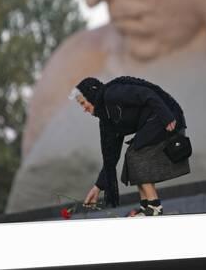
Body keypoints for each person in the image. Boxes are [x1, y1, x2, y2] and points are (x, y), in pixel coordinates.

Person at [69, 75, 190, 216]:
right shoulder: (107, 120)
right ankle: (146, 207)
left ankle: (154, 207)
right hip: (155, 120)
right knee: (131, 155)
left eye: (83, 103)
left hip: (166, 115)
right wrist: (97, 187)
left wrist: (167, 115)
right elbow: (111, 157)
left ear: (91, 96)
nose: (84, 109)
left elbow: (146, 94)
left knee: (135, 154)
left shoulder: (112, 93)